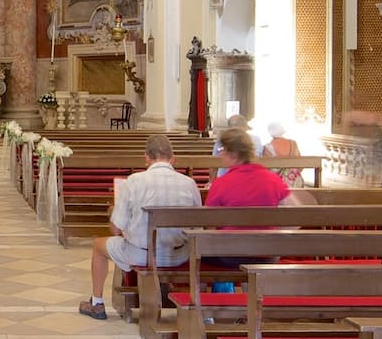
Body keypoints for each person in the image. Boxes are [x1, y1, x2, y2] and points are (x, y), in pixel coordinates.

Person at [80, 136, 202, 320]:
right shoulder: (189, 183)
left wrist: (115, 214)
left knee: (99, 246)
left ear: (146, 157)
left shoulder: (134, 181)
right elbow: (197, 224)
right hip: (179, 255)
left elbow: (115, 229)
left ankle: (96, 303)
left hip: (143, 255)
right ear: (173, 158)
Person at [202, 130, 306, 291]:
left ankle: (208, 307)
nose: (220, 155)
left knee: (200, 252)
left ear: (233, 154)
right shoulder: (272, 179)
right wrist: (279, 234)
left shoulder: (221, 183)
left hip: (230, 255)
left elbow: (209, 226)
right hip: (266, 253)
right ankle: (250, 302)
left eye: (222, 151)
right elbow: (298, 214)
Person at [260, 122, 310, 187]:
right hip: (294, 181)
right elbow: (300, 165)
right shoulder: (293, 143)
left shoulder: (267, 147)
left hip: (277, 184)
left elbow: (266, 170)